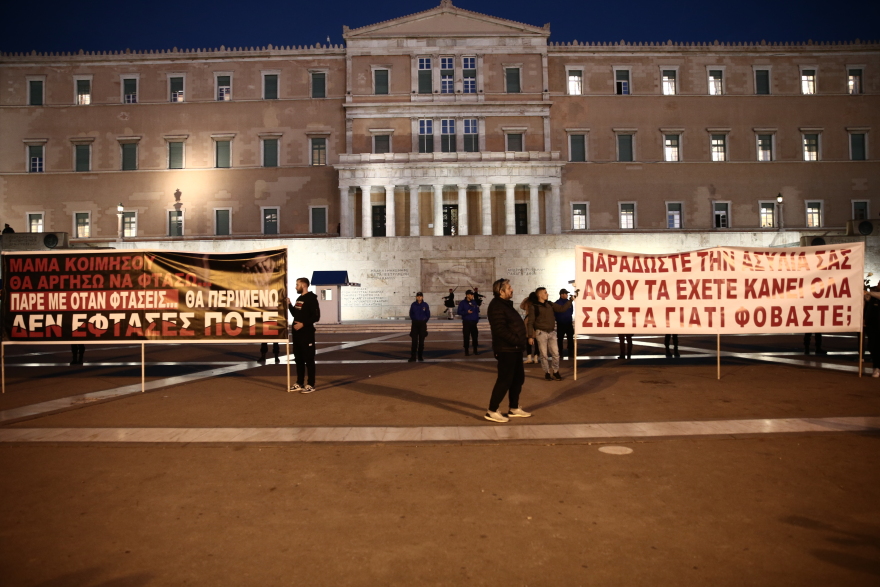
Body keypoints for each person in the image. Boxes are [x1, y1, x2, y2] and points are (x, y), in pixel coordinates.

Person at [485, 278, 531, 423]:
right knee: (504, 380)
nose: (512, 290)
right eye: (509, 287)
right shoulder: (497, 306)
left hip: (514, 348)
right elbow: (500, 329)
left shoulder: (505, 305)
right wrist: (517, 339)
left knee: (518, 379)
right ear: (501, 291)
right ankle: (492, 410)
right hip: (506, 349)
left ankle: (514, 407)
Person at [526, 287, 573, 381]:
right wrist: (530, 336)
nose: (547, 294)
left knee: (556, 353)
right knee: (544, 355)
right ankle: (547, 372)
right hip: (541, 333)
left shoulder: (550, 304)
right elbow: (530, 322)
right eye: (545, 293)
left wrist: (570, 300)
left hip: (551, 332)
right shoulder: (534, 307)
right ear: (540, 295)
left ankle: (555, 371)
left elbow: (561, 309)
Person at [288, 277, 321, 393]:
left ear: (304, 285)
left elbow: (316, 317)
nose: (296, 287)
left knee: (309, 359)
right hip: (297, 335)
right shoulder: (299, 298)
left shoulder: (311, 299)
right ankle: (299, 382)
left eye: (297, 285)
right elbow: (295, 314)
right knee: (299, 359)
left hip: (306, 334)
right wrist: (289, 305)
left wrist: (303, 324)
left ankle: (311, 384)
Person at [457, 289, 480, 355]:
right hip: (466, 322)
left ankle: (475, 350)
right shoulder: (462, 303)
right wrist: (466, 312)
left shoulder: (474, 302)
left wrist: (476, 319)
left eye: (472, 295)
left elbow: (476, 311)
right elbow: (459, 312)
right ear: (467, 295)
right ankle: (466, 350)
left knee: (475, 336)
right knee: (466, 336)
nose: (472, 296)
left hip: (473, 322)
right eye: (471, 295)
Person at [409, 292, 430, 362]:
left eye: (420, 296)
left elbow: (428, 314)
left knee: (421, 341)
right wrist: (414, 319)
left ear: (422, 297)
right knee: (414, 341)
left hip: (422, 324)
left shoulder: (425, 305)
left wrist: (424, 320)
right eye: (418, 296)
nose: (419, 297)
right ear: (416, 297)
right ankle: (413, 356)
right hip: (415, 324)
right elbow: (411, 313)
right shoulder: (413, 305)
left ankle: (420, 356)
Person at [555, 288, 575, 360]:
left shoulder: (569, 302)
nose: (567, 295)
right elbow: (556, 313)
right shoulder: (557, 302)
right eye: (566, 294)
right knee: (560, 339)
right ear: (562, 295)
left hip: (568, 323)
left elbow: (571, 312)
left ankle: (570, 351)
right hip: (561, 323)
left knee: (570, 338)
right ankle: (560, 352)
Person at [520, 292, 539, 364]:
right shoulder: (538, 303)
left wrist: (526, 299)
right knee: (537, 341)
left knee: (528, 339)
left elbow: (521, 306)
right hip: (537, 321)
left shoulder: (528, 302)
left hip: (528, 321)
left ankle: (529, 357)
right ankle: (536, 358)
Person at [865, 287, 880, 377]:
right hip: (872, 325)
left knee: (877, 347)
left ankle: (877, 367)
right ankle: (876, 367)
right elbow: (867, 299)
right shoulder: (873, 297)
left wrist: (868, 292)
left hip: (878, 326)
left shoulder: (876, 295)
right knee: (872, 346)